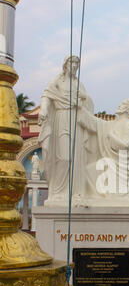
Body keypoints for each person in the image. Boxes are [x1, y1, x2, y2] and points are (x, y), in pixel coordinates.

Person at [38, 55, 94, 204]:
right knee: (64, 157)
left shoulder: (79, 84)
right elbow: (47, 96)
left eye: (77, 63)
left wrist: (83, 97)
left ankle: (74, 193)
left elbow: (87, 102)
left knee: (77, 159)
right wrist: (43, 110)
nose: (75, 65)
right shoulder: (57, 81)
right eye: (72, 62)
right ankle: (57, 192)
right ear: (65, 64)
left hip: (76, 120)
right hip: (62, 118)